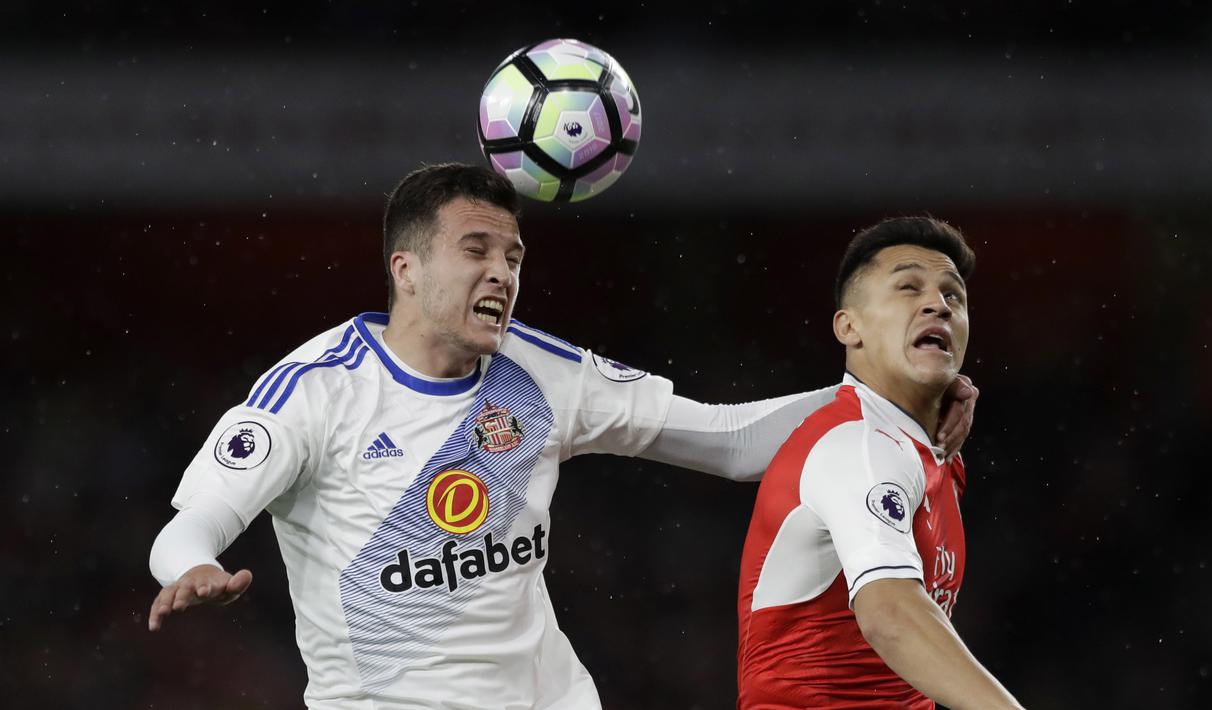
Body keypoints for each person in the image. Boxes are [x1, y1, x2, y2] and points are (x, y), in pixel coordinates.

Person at [148, 164, 978, 709]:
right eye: (476, 251)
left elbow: (726, 440)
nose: (502, 274)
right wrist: (192, 567)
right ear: (405, 270)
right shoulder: (315, 391)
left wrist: (884, 403)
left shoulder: (541, 372)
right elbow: (196, 521)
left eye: (513, 255)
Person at [737, 216, 1022, 709]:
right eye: (908, 287)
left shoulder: (929, 453)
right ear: (850, 327)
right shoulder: (859, 445)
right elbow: (889, 615)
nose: (938, 304)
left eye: (954, 296)